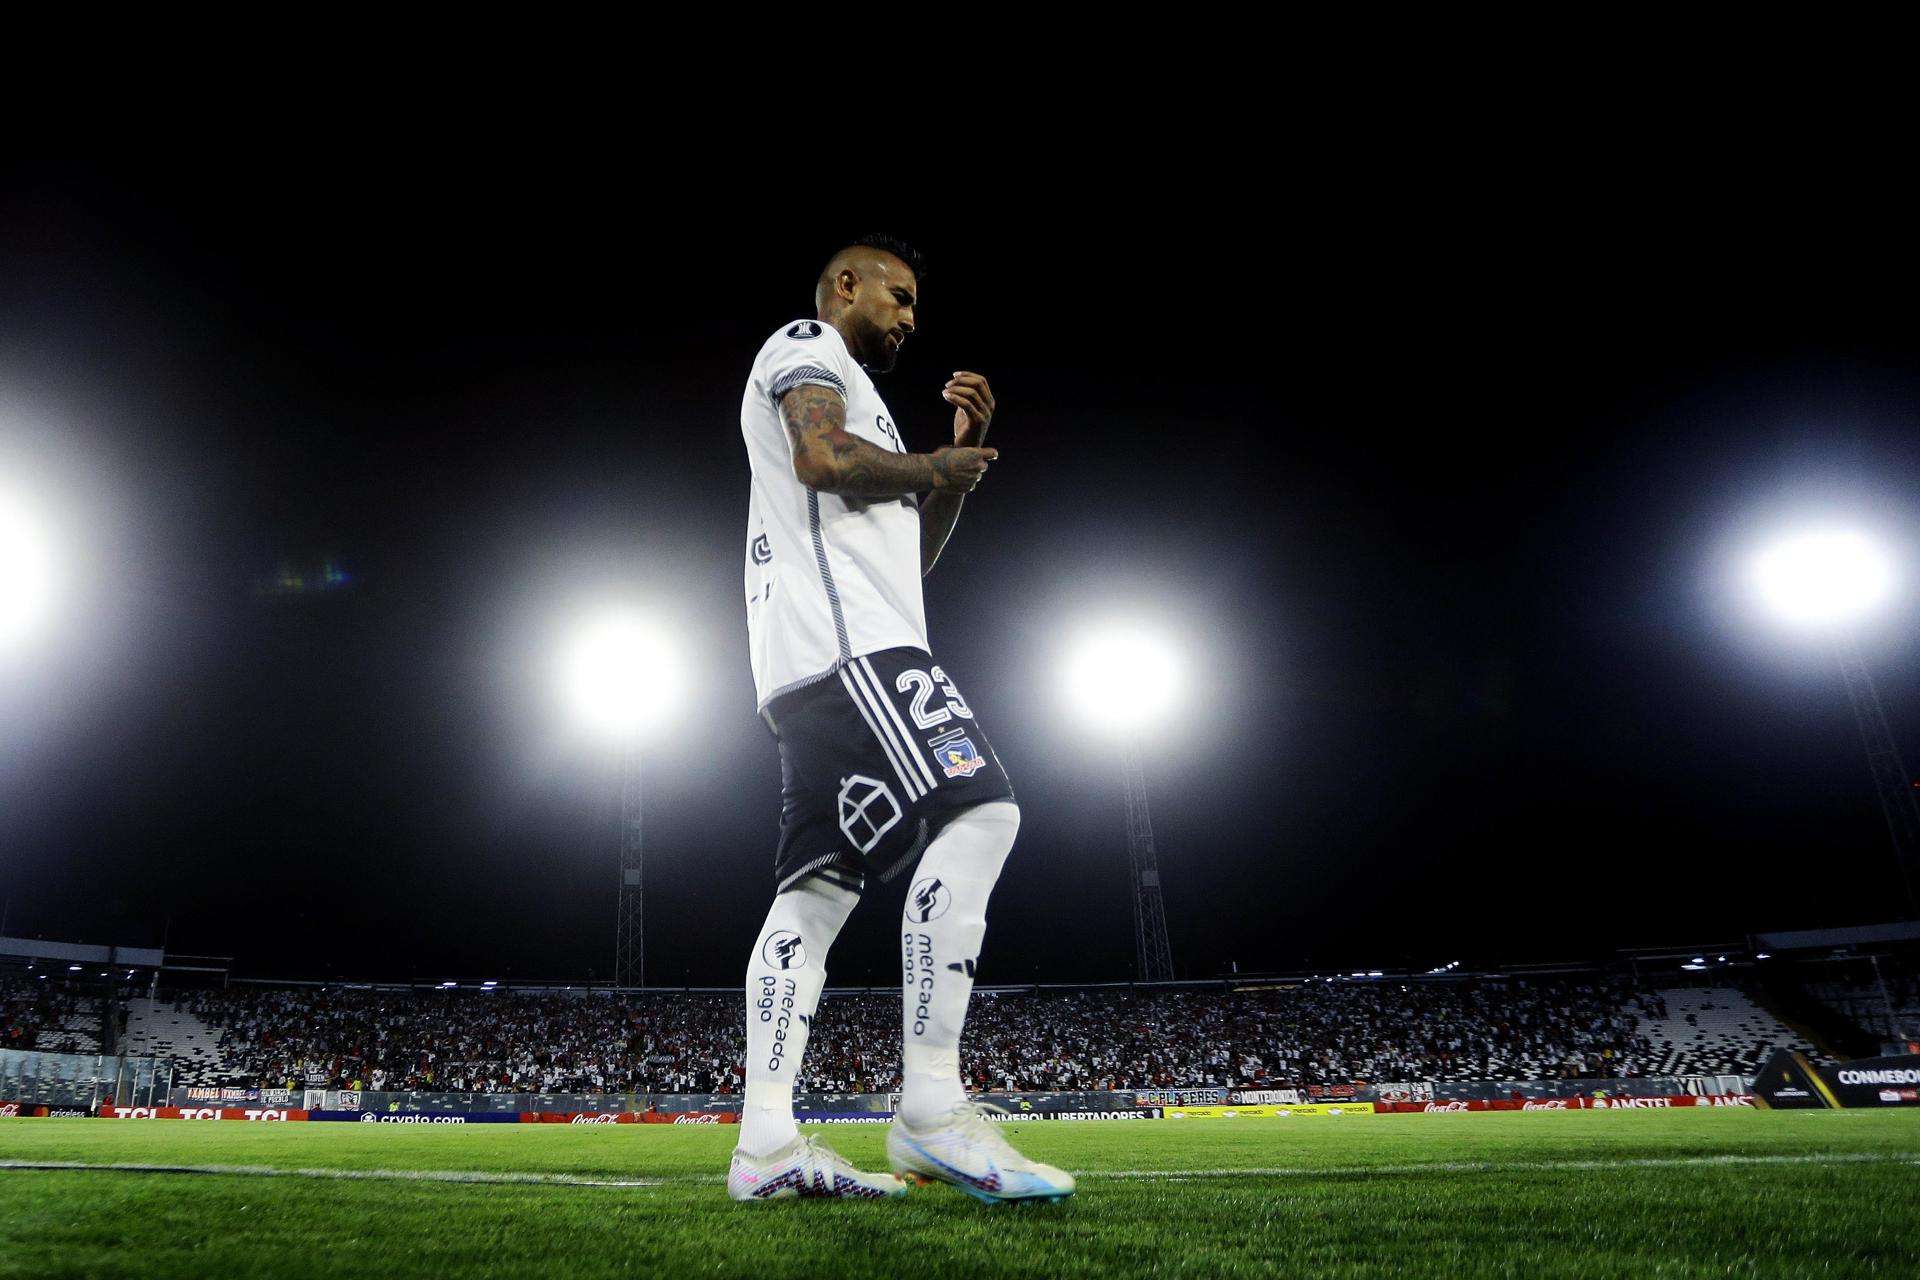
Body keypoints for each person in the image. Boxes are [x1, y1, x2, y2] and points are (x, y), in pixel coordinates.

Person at [725, 234, 1074, 1204]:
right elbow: (819, 454)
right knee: (984, 809)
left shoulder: (866, 400)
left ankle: (765, 1144)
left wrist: (944, 473)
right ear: (847, 286)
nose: (912, 317)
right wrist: (928, 460)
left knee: (815, 896)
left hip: (815, 665)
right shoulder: (807, 347)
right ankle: (927, 1107)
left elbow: (903, 559)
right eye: (900, 297)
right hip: (855, 656)